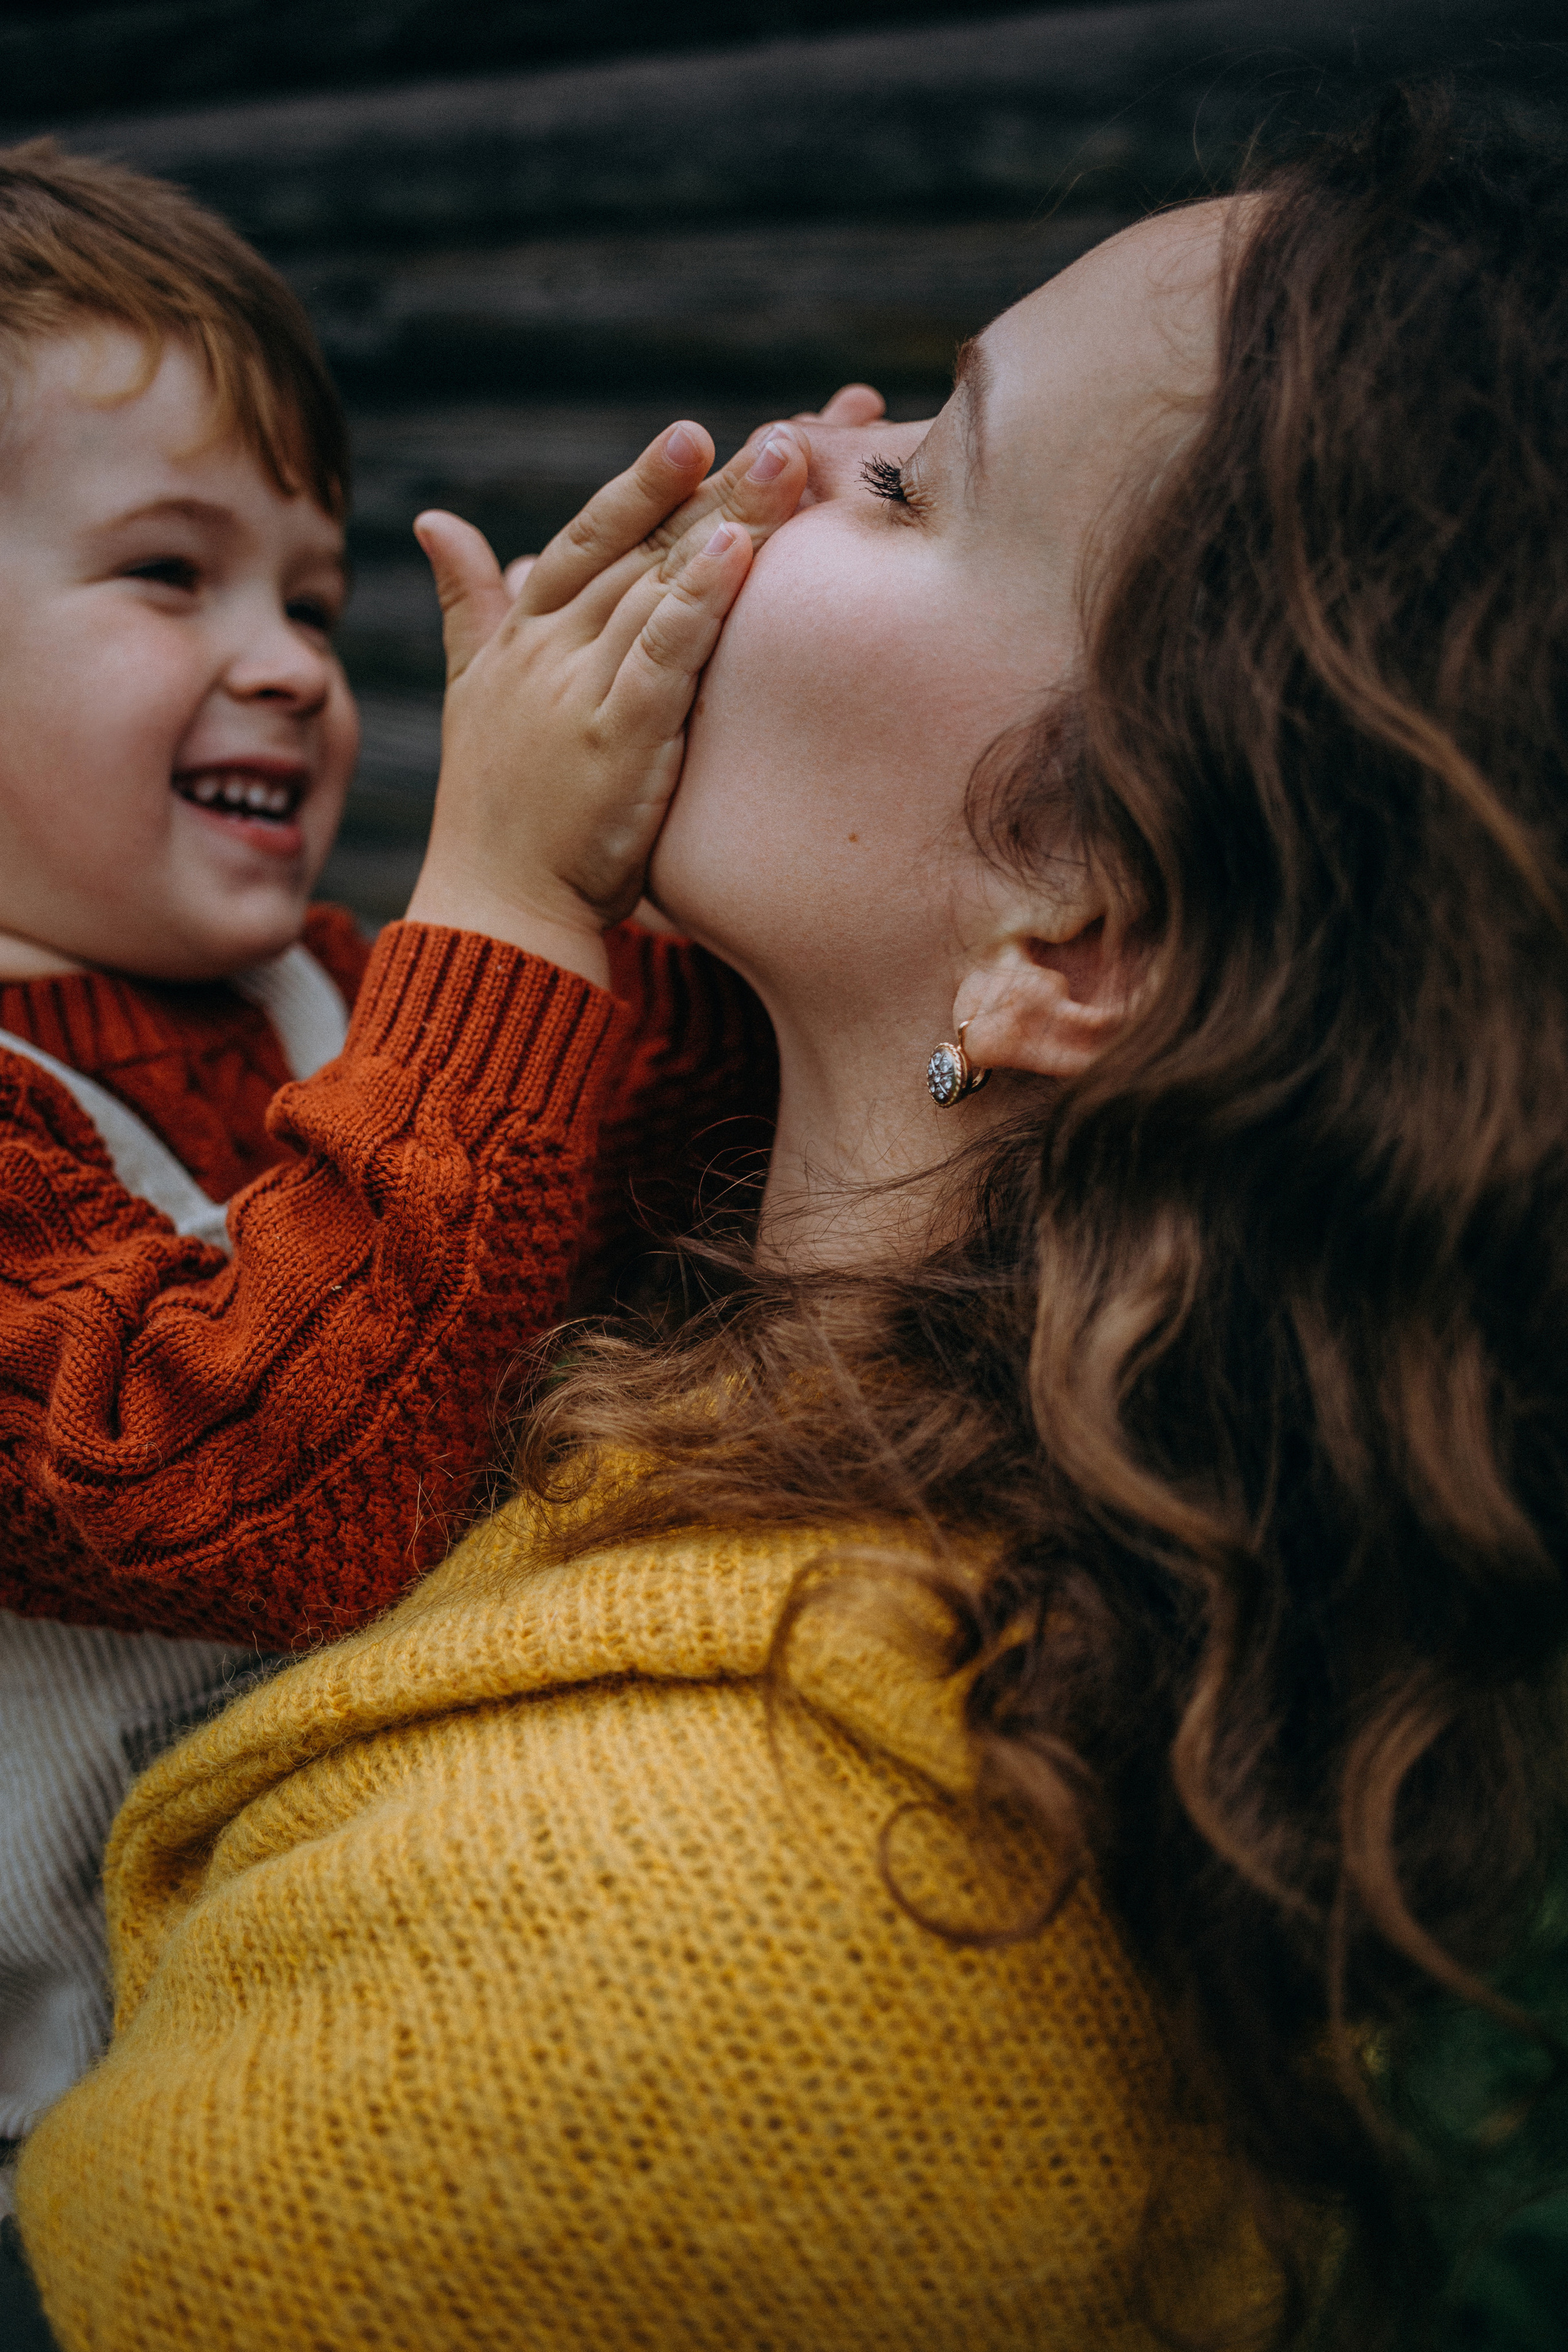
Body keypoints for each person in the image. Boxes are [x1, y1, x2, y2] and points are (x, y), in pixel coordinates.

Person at [15, 88, 1568, 2350]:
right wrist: (519, 897)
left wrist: (517, 898)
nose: (792, 441)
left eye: (921, 467)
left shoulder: (644, 1956)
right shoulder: (1018, 1488)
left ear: (1080, 930)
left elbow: (524, 1128)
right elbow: (398, 1276)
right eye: (165, 574)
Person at [0, 138, 861, 2157]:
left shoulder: (341, 1003)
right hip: (45, 2139)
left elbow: (669, 1109)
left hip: (323, 2022)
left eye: (311, 590)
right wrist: (506, 912)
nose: (300, 662)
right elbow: (214, 1488)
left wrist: (770, 636)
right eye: (166, 570)